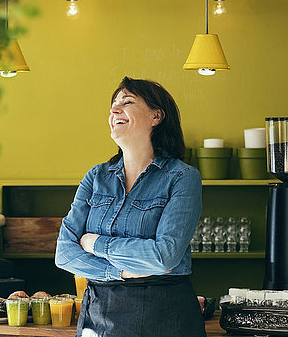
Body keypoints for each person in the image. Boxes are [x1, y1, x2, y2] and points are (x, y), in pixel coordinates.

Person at [55, 76, 206, 337]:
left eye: (127, 102)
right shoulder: (96, 176)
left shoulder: (182, 177)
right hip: (98, 316)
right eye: (113, 105)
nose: (114, 111)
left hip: (164, 317)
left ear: (156, 116)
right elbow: (64, 253)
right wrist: (120, 271)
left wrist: (95, 244)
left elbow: (164, 257)